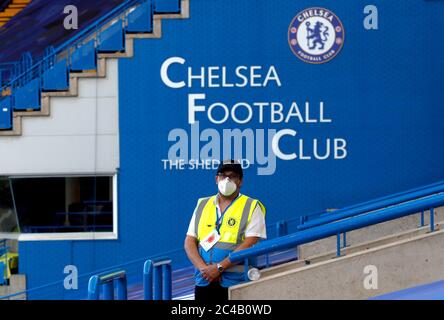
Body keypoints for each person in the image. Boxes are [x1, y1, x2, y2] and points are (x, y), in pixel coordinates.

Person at [184, 160, 267, 302]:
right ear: (216, 179)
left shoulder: (252, 206)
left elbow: (250, 243)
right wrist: (205, 270)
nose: (227, 180)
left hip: (235, 283)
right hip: (204, 281)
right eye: (223, 175)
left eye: (233, 176)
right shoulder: (203, 204)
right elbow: (189, 241)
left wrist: (219, 268)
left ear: (240, 181)